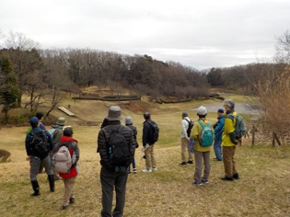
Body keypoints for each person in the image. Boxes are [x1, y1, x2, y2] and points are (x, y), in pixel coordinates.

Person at [97, 106, 136, 217]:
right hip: (123, 166)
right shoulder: (128, 131)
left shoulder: (103, 132)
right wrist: (127, 163)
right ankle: (118, 213)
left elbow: (102, 151)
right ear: (120, 117)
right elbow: (132, 149)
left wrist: (108, 165)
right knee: (121, 190)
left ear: (109, 117)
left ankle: (106, 214)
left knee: (107, 192)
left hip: (107, 168)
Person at [25, 117, 54, 196]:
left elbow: (27, 147)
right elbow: (51, 143)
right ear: (38, 123)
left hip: (36, 156)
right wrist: (50, 151)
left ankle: (36, 191)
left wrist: (30, 154)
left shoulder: (29, 135)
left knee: (33, 175)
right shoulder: (45, 132)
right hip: (46, 154)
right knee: (49, 171)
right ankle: (52, 188)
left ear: (30, 125)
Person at [52, 127, 80, 210]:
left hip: (61, 168)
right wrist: (71, 165)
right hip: (71, 168)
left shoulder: (58, 144)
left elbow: (53, 156)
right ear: (71, 134)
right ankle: (65, 203)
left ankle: (72, 197)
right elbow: (76, 156)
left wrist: (56, 166)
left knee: (67, 185)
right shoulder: (74, 144)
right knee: (68, 186)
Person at [191, 106, 214, 186]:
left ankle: (197, 180)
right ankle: (205, 178)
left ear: (198, 114)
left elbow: (193, 135)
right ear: (206, 114)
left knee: (199, 164)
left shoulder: (197, 124)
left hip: (198, 147)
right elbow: (213, 133)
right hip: (207, 146)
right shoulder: (210, 123)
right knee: (207, 163)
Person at [221, 99, 240, 181]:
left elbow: (231, 131)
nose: (224, 108)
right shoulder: (235, 114)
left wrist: (233, 141)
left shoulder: (229, 118)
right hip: (234, 141)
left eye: (225, 106)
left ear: (228, 107)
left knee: (227, 160)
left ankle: (229, 175)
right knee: (231, 158)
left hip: (228, 142)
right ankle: (235, 173)